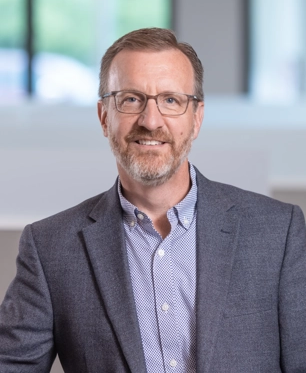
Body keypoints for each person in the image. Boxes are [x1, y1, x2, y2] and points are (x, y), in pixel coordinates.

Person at [0, 28, 305, 373]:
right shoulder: (50, 247)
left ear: (197, 118)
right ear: (104, 116)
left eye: (171, 100)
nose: (150, 120)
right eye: (131, 99)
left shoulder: (278, 233)